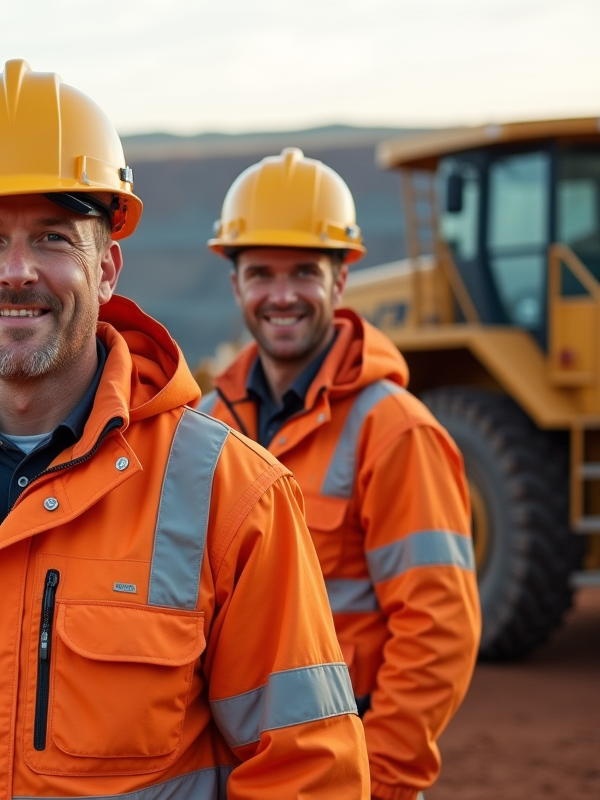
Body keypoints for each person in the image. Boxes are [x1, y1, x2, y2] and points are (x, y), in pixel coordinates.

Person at [0, 60, 368, 800]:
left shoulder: (232, 495)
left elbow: (306, 769)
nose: (18, 272)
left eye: (52, 238)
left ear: (106, 267)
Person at [201, 148, 481, 800]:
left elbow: (439, 629)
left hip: (346, 768)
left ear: (339, 281)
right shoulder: (206, 427)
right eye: (262, 273)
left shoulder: (395, 429)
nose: (282, 295)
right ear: (236, 282)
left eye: (304, 271)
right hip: (231, 768)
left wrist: (376, 780)